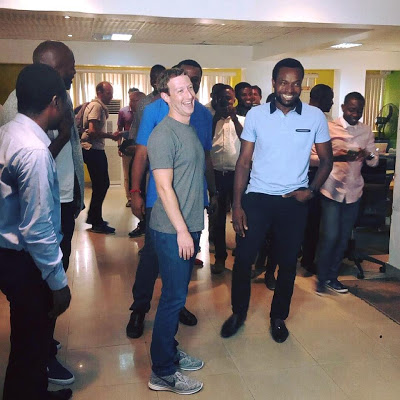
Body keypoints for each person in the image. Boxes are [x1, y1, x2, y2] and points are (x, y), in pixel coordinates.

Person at [220, 58, 333, 343]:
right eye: (283, 82)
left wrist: (311, 191)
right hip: (257, 198)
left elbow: (327, 161)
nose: (289, 89)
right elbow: (244, 162)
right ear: (273, 83)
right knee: (244, 260)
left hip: (293, 201)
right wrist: (237, 204)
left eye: (296, 83)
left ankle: (278, 317)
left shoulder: (314, 117)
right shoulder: (256, 115)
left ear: (302, 85)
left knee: (287, 263)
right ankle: (238, 314)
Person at [1, 39, 83, 386]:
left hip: (22, 235)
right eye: (68, 68)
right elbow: (36, 227)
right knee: (33, 320)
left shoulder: (13, 129)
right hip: (26, 245)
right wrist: (59, 283)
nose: (73, 73)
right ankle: (38, 366)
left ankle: (38, 357)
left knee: (29, 326)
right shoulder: (27, 135)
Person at [126, 59, 216, 339]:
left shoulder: (203, 114)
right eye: (186, 80)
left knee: (183, 262)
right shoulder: (154, 110)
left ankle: (175, 305)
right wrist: (136, 192)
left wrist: (212, 191)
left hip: (193, 199)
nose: (191, 88)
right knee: (151, 258)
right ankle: (140, 308)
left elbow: (204, 156)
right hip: (160, 202)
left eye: (195, 81)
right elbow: (142, 153)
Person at [147, 67, 204, 395]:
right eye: (179, 90)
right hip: (173, 231)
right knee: (173, 299)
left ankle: (169, 351)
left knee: (175, 295)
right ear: (165, 97)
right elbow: (164, 187)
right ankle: (163, 371)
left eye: (190, 88)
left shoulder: (188, 128)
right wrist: (182, 231)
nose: (188, 95)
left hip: (188, 226)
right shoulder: (163, 134)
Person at [315, 92, 378, 295]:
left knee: (343, 238)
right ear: (343, 108)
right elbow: (312, 156)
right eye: (351, 110)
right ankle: (321, 278)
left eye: (359, 111)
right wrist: (335, 156)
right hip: (331, 189)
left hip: (354, 191)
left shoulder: (365, 131)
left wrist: (368, 154)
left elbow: (374, 161)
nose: (355, 114)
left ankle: (332, 278)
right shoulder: (329, 127)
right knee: (330, 236)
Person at [128, 64, 166, 238]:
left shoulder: (175, 101)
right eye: (153, 78)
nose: (156, 81)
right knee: (143, 192)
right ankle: (144, 225)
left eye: (160, 77)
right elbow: (137, 129)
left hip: (164, 157)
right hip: (144, 154)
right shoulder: (145, 103)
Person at [210, 84, 244, 274]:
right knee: (217, 218)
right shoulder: (210, 119)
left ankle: (241, 255)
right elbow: (204, 141)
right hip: (215, 174)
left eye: (228, 98)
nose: (225, 102)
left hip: (237, 175)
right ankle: (220, 258)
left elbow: (246, 140)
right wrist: (215, 119)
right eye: (221, 98)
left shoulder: (242, 120)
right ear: (215, 99)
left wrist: (235, 118)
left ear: (234, 100)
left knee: (240, 216)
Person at [301, 84, 334, 275]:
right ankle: (305, 258)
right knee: (307, 221)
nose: (332, 103)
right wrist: (331, 158)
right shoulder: (304, 117)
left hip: (324, 174)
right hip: (306, 175)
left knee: (316, 222)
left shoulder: (329, 121)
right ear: (320, 99)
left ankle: (309, 258)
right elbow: (303, 154)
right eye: (330, 99)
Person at [81, 81, 120, 234]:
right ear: (100, 93)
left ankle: (94, 217)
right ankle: (96, 222)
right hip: (93, 149)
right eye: (109, 93)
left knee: (100, 185)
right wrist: (110, 136)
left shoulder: (95, 106)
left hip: (92, 149)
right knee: (102, 185)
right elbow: (92, 131)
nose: (111, 97)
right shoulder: (97, 107)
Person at [117, 88, 145, 207]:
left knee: (142, 175)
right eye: (130, 100)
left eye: (134, 100)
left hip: (142, 151)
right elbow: (121, 130)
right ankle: (130, 198)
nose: (131, 103)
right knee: (128, 174)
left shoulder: (147, 114)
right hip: (129, 146)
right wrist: (119, 145)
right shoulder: (123, 112)